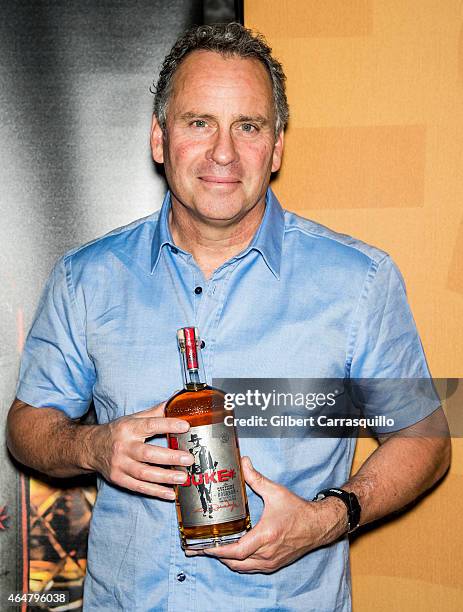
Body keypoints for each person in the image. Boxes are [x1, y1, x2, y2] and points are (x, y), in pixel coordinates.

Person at [7, 23, 450, 612]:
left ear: (277, 146)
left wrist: (326, 519)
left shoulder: (359, 281)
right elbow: (26, 426)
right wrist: (94, 446)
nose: (224, 152)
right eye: (199, 123)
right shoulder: (85, 276)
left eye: (249, 125)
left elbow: (427, 438)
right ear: (159, 139)